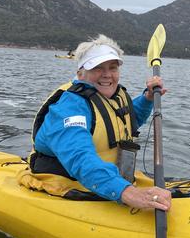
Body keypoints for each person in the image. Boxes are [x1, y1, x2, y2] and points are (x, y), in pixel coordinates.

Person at [28, 34, 172, 211]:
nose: (107, 75)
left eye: (113, 68)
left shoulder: (112, 96)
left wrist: (147, 98)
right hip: (68, 186)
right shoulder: (68, 108)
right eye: (97, 68)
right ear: (81, 73)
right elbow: (79, 157)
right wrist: (128, 193)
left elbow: (126, 120)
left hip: (108, 183)